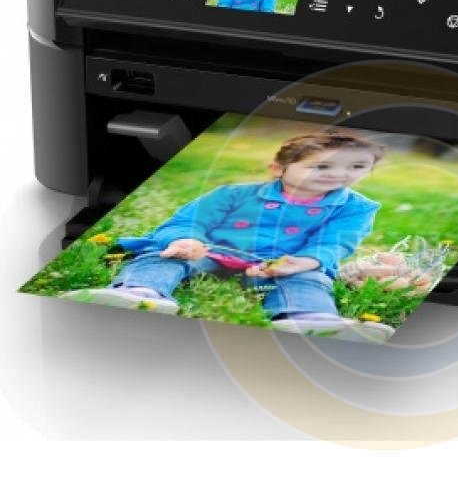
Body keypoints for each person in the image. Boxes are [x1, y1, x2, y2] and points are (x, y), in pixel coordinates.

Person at [63, 127, 391, 341]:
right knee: (163, 256)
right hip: (209, 252)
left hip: (280, 264)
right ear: (278, 169)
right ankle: (140, 292)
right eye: (322, 166)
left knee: (309, 278)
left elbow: (335, 241)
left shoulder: (357, 207)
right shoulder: (233, 194)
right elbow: (187, 222)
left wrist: (304, 261)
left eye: (357, 167)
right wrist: (186, 240)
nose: (339, 175)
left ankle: (309, 317)